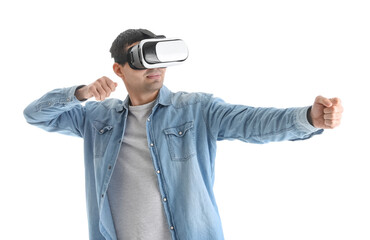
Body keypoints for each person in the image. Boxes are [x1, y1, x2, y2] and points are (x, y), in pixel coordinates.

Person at [23, 29, 343, 240]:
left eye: (159, 57)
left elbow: (253, 122)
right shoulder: (96, 118)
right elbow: (35, 114)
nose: (155, 67)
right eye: (142, 58)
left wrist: (308, 117)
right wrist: (79, 93)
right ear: (118, 69)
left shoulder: (195, 109)